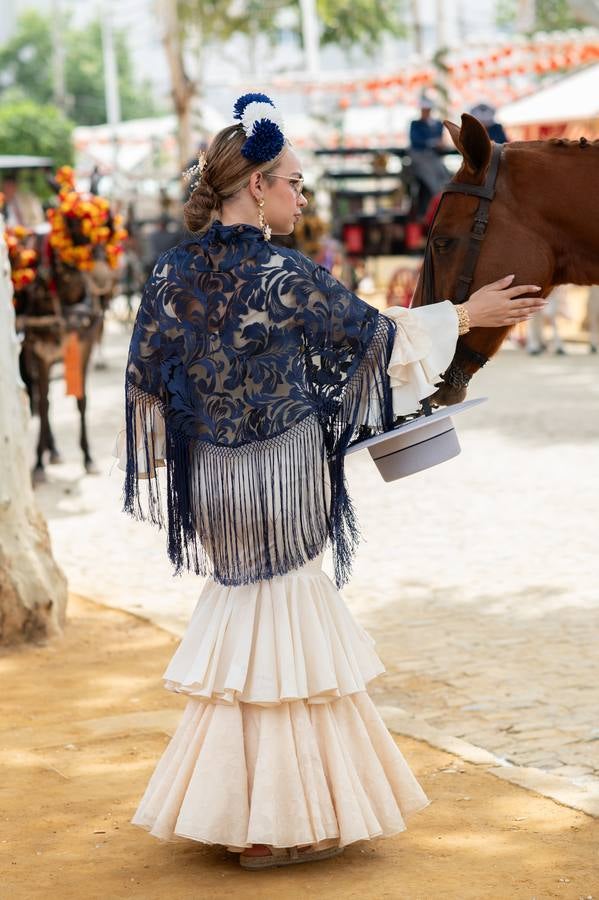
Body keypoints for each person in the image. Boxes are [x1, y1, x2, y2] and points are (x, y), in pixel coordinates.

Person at [116, 92, 546, 869]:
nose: (301, 196)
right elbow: (376, 340)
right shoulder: (285, 273)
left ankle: (248, 811)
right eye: (294, 182)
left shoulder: (173, 270)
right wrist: (465, 308)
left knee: (251, 623)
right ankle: (271, 826)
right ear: (256, 186)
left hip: (211, 484)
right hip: (282, 480)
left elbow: (150, 378)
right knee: (285, 630)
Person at [408, 96, 450, 216]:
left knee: (443, 177)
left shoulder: (436, 124)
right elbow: (416, 141)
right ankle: (438, 206)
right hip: (421, 158)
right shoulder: (416, 124)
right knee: (432, 181)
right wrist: (433, 142)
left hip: (432, 158)